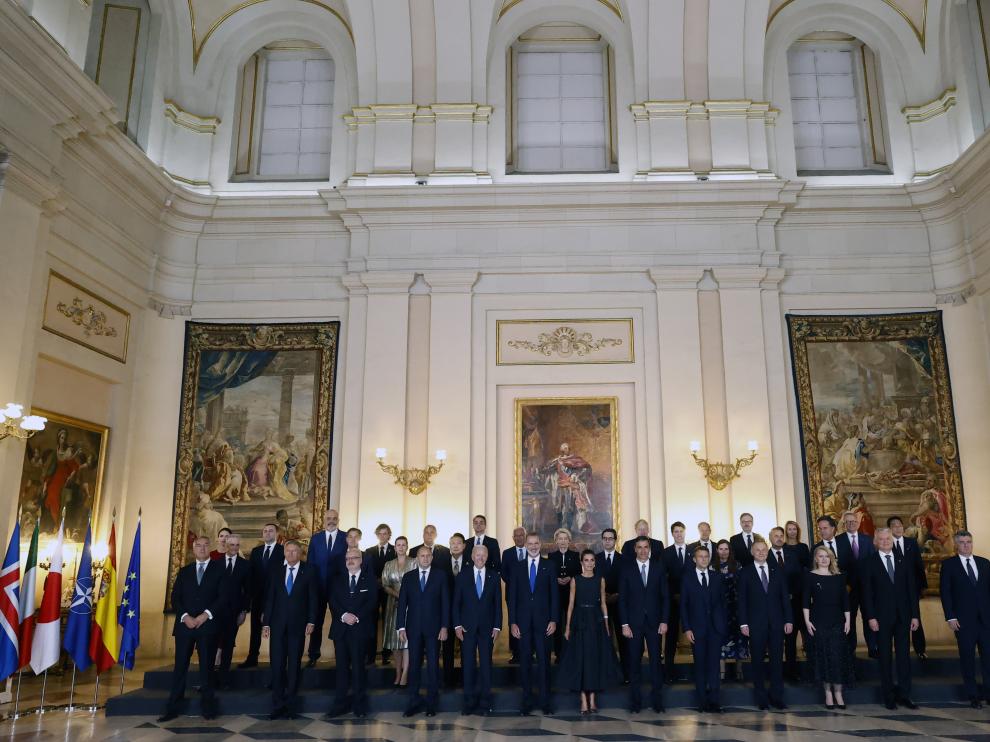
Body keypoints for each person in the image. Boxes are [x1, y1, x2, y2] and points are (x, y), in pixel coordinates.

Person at [159, 537, 230, 722]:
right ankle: (173, 707)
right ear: (193, 548)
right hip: (185, 627)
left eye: (206, 545)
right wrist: (185, 617)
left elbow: (223, 597)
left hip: (208, 626)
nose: (202, 548)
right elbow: (175, 598)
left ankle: (208, 708)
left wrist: (205, 615)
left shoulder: (220, 570)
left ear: (210, 548)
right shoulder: (184, 571)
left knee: (206, 668)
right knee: (180, 666)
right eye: (198, 545)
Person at [859, 527, 920, 710]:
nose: (885, 542)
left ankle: (905, 695)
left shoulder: (904, 560)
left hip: (903, 617)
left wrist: (915, 616)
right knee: (885, 658)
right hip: (881, 618)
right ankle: (889, 696)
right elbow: (866, 594)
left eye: (888, 539)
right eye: (882, 539)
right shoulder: (868, 562)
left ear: (892, 540)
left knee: (904, 658)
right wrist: (870, 617)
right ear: (876, 542)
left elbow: (912, 591)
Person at [263, 540, 319, 720]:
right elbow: (270, 598)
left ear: (300, 553)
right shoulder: (276, 570)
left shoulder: (309, 570)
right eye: (288, 550)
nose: (291, 554)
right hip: (278, 626)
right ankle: (277, 705)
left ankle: (291, 707)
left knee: (294, 666)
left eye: (295, 551)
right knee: (277, 666)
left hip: (298, 625)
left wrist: (311, 620)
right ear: (284, 552)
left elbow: (313, 598)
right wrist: (266, 623)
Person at [560, 549, 621, 714]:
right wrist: (567, 628)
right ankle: (583, 701)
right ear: (581, 562)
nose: (589, 563)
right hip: (579, 620)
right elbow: (571, 605)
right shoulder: (575, 580)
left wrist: (607, 624)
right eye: (586, 560)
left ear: (595, 562)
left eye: (591, 560)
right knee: (580, 659)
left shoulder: (600, 580)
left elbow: (603, 604)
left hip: (596, 621)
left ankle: (593, 700)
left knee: (593, 659)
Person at [508, 531, 559, 716]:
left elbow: (555, 596)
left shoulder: (549, 566)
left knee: (545, 664)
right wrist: (512, 622)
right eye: (530, 543)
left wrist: (554, 619)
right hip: (522, 625)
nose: (533, 546)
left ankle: (545, 702)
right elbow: (511, 598)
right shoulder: (516, 567)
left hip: (544, 624)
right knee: (525, 664)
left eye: (536, 543)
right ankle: (527, 702)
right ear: (526, 545)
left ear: (540, 544)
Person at [738, 540, 793, 710]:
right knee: (757, 662)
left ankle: (777, 697)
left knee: (777, 661)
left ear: (767, 552)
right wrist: (743, 623)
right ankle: (761, 698)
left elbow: (785, 597)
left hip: (777, 623)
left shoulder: (777, 571)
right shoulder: (745, 572)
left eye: (764, 550)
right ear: (752, 552)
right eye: (758, 550)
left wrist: (789, 619)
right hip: (755, 624)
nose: (761, 552)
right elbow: (742, 600)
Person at [397, 545, 450, 717]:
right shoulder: (408, 577)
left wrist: (444, 626)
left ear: (432, 558)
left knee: (433, 666)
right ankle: (413, 701)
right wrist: (401, 626)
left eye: (428, 555)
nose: (425, 558)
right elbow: (402, 604)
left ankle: (431, 704)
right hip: (413, 629)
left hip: (434, 629)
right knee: (413, 666)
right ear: (417, 558)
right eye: (422, 556)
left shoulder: (440, 576)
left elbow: (445, 603)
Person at [940, 530, 990, 708]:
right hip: (963, 622)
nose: (966, 545)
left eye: (969, 542)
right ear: (956, 544)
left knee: (988, 659)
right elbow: (945, 593)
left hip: (986, 621)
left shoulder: (984, 563)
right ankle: (973, 696)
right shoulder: (949, 565)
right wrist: (950, 617)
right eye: (962, 542)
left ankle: (988, 693)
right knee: (967, 659)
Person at [619, 536, 669, 713]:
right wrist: (624, 624)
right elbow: (622, 599)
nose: (642, 550)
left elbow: (665, 597)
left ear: (650, 549)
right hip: (633, 624)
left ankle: (658, 702)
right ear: (635, 549)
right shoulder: (627, 569)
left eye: (645, 547)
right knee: (634, 663)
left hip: (655, 623)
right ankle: (635, 703)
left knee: (656, 662)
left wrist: (664, 620)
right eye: (639, 547)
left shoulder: (659, 567)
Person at [326, 548, 378, 718]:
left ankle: (359, 705)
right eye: (348, 558)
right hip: (341, 629)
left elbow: (372, 602)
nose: (350, 560)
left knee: (358, 668)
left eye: (354, 558)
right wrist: (343, 615)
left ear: (361, 560)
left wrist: (355, 617)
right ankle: (339, 704)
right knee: (341, 669)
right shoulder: (337, 579)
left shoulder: (369, 579)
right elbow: (332, 600)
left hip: (359, 629)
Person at [453, 544, 502, 715]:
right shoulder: (463, 575)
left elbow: (498, 605)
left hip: (488, 629)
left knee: (486, 665)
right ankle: (469, 702)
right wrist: (457, 625)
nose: (480, 558)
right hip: (467, 628)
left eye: (483, 555)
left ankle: (485, 702)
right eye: (477, 555)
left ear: (487, 557)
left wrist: (497, 625)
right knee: (468, 665)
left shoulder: (494, 576)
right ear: (472, 557)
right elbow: (456, 603)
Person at [803, 545, 852, 709]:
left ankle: (838, 692)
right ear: (816, 559)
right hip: (818, 621)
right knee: (822, 658)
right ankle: (828, 694)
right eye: (820, 556)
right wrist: (807, 621)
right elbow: (805, 602)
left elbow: (845, 600)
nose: (824, 559)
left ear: (831, 558)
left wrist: (848, 620)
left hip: (837, 620)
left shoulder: (839, 576)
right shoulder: (809, 576)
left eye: (827, 556)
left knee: (837, 657)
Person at [681, 545, 727, 713]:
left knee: (714, 666)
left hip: (715, 629)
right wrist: (687, 628)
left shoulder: (717, 577)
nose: (703, 559)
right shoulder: (687, 578)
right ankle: (702, 702)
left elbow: (723, 604)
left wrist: (722, 626)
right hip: (696, 629)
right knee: (700, 666)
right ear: (694, 559)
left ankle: (715, 702)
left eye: (706, 556)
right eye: (700, 556)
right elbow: (684, 606)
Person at [305, 509, 346, 667]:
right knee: (316, 621)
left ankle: (340, 655)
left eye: (334, 518)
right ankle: (313, 655)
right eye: (328, 518)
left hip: (338, 588)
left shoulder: (345, 538)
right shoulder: (316, 539)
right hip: (318, 587)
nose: (331, 521)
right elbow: (310, 564)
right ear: (324, 520)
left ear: (338, 520)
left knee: (339, 621)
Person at [240, 523, 283, 668]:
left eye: (271, 531)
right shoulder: (256, 551)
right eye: (265, 531)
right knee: (255, 630)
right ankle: (252, 658)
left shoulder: (283, 551)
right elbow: (251, 576)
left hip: (276, 598)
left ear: (277, 534)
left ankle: (276, 661)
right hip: (258, 598)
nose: (267, 533)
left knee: (276, 631)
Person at [837, 510, 877, 659]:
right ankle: (850, 649)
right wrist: (844, 584)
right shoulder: (838, 540)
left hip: (866, 587)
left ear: (858, 523)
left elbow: (873, 563)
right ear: (844, 524)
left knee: (869, 617)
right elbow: (837, 566)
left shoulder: (867, 539)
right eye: (848, 522)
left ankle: (873, 647)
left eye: (853, 521)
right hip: (848, 588)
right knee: (850, 619)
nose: (851, 524)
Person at [216, 532, 252, 689]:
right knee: (211, 646)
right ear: (225, 546)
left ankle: (223, 679)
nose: (235, 548)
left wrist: (244, 611)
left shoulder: (245, 565)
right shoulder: (215, 564)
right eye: (232, 545)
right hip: (215, 612)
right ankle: (209, 680)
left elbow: (248, 590)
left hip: (234, 612)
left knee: (228, 645)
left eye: (237, 545)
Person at [889, 515, 928, 659]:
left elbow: (919, 565)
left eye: (900, 525)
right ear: (890, 529)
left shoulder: (911, 543)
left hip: (912, 588)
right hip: (894, 589)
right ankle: (899, 649)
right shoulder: (887, 544)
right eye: (894, 526)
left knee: (915, 617)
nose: (898, 528)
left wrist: (923, 586)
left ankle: (920, 648)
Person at [769, 526, 805, 682]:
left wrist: (792, 593)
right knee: (774, 640)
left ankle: (791, 671)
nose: (778, 538)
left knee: (791, 639)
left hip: (792, 603)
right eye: (775, 536)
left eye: (780, 535)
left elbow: (799, 576)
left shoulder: (792, 555)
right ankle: (775, 673)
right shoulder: (764, 556)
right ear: (770, 538)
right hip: (773, 605)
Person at [381, 536, 417, 688]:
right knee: (395, 641)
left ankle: (405, 673)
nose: (401, 547)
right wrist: (398, 596)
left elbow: (417, 582)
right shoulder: (388, 564)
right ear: (394, 548)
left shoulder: (414, 562)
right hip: (393, 603)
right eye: (398, 545)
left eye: (404, 545)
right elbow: (385, 584)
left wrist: (405, 598)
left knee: (407, 640)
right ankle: (397, 672)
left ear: (407, 546)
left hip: (412, 604)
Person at [714, 539, 747, 681]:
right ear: (717, 551)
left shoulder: (737, 565)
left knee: (738, 638)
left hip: (736, 607)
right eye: (721, 549)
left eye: (726, 549)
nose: (723, 551)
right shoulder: (712, 566)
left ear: (730, 550)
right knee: (721, 638)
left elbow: (742, 586)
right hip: (719, 608)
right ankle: (722, 672)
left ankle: (739, 670)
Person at [595, 528, 626, 680]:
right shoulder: (595, 558)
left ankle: (625, 673)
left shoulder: (624, 559)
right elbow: (592, 580)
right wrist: (603, 596)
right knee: (604, 639)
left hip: (620, 604)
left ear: (615, 540)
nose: (607, 541)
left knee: (622, 640)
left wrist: (618, 595)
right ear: (602, 540)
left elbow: (626, 581)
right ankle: (605, 673)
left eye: (610, 538)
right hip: (602, 604)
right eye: (605, 538)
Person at [662, 521, 690, 681]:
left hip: (691, 601)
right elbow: (663, 578)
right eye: (676, 532)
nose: (679, 534)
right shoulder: (666, 553)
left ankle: (699, 670)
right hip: (672, 600)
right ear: (672, 534)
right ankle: (668, 673)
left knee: (694, 634)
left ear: (684, 532)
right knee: (671, 637)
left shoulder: (693, 551)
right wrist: (672, 595)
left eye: (681, 531)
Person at [364, 523, 396, 665]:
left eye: (385, 533)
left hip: (389, 591)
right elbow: (366, 571)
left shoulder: (395, 550)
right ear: (377, 535)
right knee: (371, 622)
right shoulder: (368, 551)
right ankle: (370, 656)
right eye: (380, 533)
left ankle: (386, 655)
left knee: (388, 622)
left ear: (389, 535)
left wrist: (386, 582)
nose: (383, 536)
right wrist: (376, 582)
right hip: (373, 591)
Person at [548, 528, 580, 664]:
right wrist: (556, 579)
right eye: (560, 539)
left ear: (569, 540)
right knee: (557, 624)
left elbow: (579, 573)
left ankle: (571, 653)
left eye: (565, 538)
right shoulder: (551, 556)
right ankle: (559, 654)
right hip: (556, 595)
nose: (562, 541)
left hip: (571, 595)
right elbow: (549, 575)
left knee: (571, 623)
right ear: (556, 541)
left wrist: (570, 578)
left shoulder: (575, 555)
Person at [443, 532, 469, 686]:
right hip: (446, 612)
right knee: (447, 647)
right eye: (452, 543)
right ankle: (448, 679)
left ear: (464, 546)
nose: (455, 545)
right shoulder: (440, 562)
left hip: (465, 613)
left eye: (458, 543)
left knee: (466, 646)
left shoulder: (471, 563)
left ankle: (466, 678)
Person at [501, 526, 528, 664]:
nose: (518, 538)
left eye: (521, 535)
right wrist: (515, 583)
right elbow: (503, 572)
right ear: (513, 538)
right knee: (513, 621)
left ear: (525, 537)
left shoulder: (532, 552)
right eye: (516, 536)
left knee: (529, 622)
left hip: (530, 596)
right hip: (512, 594)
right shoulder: (507, 553)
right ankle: (515, 653)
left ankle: (529, 652)